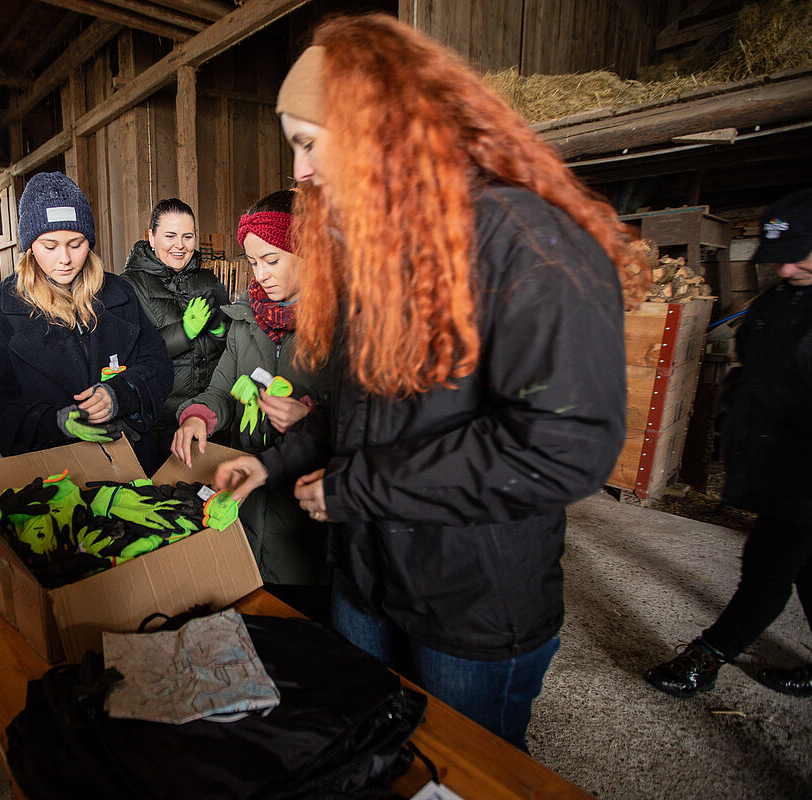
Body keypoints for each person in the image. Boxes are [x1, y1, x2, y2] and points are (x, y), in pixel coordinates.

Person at [213, 14, 646, 751]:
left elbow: (560, 448)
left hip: (470, 608)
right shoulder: (383, 260)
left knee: (461, 768)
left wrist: (357, 490)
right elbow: (353, 409)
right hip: (368, 582)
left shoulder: (527, 243)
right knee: (371, 751)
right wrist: (272, 461)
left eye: (309, 144)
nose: (301, 173)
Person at [644, 189, 812, 699]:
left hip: (806, 474)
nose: (783, 270)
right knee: (807, 570)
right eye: (778, 258)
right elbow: (753, 371)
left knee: (767, 567)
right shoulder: (779, 301)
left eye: (797, 255)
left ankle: (707, 657)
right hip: (777, 463)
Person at [172, 189, 331, 619]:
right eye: (253, 263)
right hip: (248, 504)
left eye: (272, 260)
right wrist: (199, 417)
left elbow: (363, 423)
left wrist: (309, 418)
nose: (260, 275)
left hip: (305, 518)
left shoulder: (342, 326)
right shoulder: (246, 318)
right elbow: (221, 387)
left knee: (303, 627)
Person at [0, 172, 172, 467]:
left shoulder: (118, 293)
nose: (65, 258)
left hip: (128, 455)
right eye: (50, 246)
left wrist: (120, 394)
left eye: (76, 243)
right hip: (52, 469)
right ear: (30, 246)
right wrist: (52, 422)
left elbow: (157, 364)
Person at [122, 198, 229, 467]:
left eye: (187, 236)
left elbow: (232, 348)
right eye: (170, 235)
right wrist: (184, 331)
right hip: (162, 422)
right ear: (152, 237)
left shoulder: (209, 280)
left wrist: (218, 330)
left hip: (210, 414)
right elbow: (131, 354)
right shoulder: (130, 287)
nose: (180, 245)